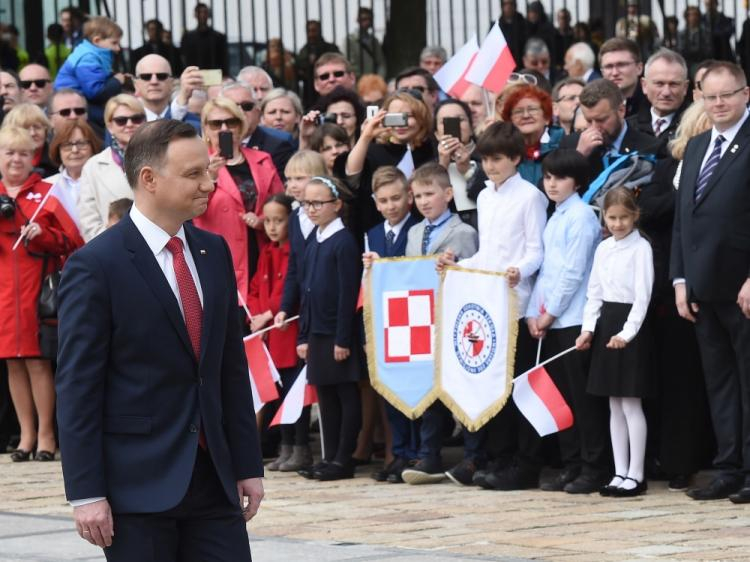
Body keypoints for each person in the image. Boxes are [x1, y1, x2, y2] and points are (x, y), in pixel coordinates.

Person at [56, 119, 264, 560]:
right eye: (194, 174)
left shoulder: (213, 252)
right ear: (148, 179)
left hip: (214, 480)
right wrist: (86, 491)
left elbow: (229, 365)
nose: (209, 183)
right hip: (136, 488)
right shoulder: (95, 266)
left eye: (207, 170)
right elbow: (78, 387)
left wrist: (247, 464)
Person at [443, 122, 547, 491]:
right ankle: (500, 456)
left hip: (517, 299)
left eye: (498, 159)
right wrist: (459, 267)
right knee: (495, 383)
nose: (490, 166)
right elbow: (487, 252)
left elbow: (536, 249)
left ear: (516, 158)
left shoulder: (531, 196)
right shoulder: (485, 197)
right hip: (490, 300)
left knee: (518, 382)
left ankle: (526, 461)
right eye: (485, 159)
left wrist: (520, 270)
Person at [670, 61, 750, 503]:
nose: (718, 103)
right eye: (710, 96)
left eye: (727, 95)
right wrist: (680, 279)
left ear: (746, 94)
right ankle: (729, 467)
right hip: (702, 287)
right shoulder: (698, 146)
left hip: (743, 287)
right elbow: (685, 219)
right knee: (719, 381)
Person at [637, 100, 714, 491]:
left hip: (714, 279)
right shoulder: (671, 166)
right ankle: (677, 459)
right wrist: (682, 193)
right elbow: (647, 207)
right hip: (672, 284)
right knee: (678, 377)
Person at [526, 149, 608, 494]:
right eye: (547, 177)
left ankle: (594, 467)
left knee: (582, 399)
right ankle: (571, 463)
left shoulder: (582, 217)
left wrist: (550, 312)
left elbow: (574, 272)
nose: (552, 184)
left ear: (576, 181)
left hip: (573, 318)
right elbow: (546, 271)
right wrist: (534, 311)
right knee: (561, 398)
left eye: (560, 177)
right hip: (552, 319)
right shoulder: (555, 215)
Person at [0, 126, 82, 463]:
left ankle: (47, 437)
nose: (16, 159)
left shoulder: (47, 193)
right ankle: (26, 436)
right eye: (9, 152)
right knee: (13, 363)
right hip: (4, 292)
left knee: (37, 362)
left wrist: (42, 233)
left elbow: (75, 242)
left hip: (38, 291)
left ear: (33, 157)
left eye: (22, 153)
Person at [275, 176, 363, 481]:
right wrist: (303, 335)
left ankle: (344, 457)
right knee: (325, 395)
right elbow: (306, 289)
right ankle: (329, 456)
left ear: (336, 205)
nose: (311, 209)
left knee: (345, 394)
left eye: (318, 203)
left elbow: (347, 294)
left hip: (336, 332)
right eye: (306, 203)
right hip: (316, 332)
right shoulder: (315, 239)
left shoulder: (343, 241)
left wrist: (342, 338)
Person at [576, 187, 654, 498]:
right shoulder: (603, 248)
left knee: (631, 401)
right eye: (612, 218)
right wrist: (587, 329)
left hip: (630, 327)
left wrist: (627, 333)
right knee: (613, 403)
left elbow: (643, 296)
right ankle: (619, 470)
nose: (618, 224)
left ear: (635, 216)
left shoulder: (642, 248)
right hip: (607, 322)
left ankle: (636, 473)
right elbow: (594, 292)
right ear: (604, 218)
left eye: (624, 217)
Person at [360, 167, 418, 482]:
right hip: (385, 324)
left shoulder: (418, 229)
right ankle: (400, 453)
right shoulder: (372, 234)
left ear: (409, 196)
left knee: (414, 391)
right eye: (384, 200)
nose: (391, 205)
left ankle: (416, 453)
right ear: (375, 202)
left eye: (396, 197)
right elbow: (366, 288)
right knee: (392, 393)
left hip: (414, 322)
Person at [194, 97, 284, 295]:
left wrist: (263, 222)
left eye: (231, 122)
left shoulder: (262, 159)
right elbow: (191, 211)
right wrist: (211, 178)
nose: (224, 128)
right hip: (221, 257)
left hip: (261, 251)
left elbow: (281, 205)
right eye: (216, 123)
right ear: (206, 129)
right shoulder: (196, 164)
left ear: (241, 125)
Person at [250, 193, 312, 472]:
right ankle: (285, 447)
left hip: (289, 331)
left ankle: (301, 448)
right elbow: (254, 289)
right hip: (271, 335)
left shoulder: (293, 253)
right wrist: (257, 314)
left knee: (294, 391)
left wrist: (268, 313)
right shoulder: (267, 251)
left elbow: (288, 290)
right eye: (268, 221)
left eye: (279, 220)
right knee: (281, 393)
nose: (273, 227)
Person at [340, 89, 437, 241]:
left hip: (424, 234)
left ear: (421, 118)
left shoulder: (432, 149)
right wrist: (366, 136)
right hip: (379, 234)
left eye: (408, 116)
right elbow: (352, 176)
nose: (401, 123)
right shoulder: (374, 151)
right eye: (394, 117)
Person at [561, 79, 662, 187]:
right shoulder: (571, 144)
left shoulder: (650, 147)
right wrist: (578, 157)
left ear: (621, 111)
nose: (594, 127)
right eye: (589, 121)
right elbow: (549, 192)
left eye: (601, 120)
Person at [78, 94, 146, 241]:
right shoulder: (93, 166)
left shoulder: (162, 158)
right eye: (121, 121)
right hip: (113, 248)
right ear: (110, 126)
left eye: (136, 119)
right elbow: (88, 222)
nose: (129, 124)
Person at [53, 16, 125, 128]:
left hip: (79, 99)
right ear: (97, 40)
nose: (118, 48)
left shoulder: (92, 53)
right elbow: (95, 92)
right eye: (114, 43)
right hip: (71, 103)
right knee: (111, 118)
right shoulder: (88, 58)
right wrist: (117, 81)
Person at [222, 83, 296, 181]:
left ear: (258, 111)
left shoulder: (278, 146)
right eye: (233, 107)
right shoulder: (210, 143)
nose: (240, 111)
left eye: (247, 106)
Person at [501, 84, 564, 188]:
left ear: (547, 117)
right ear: (510, 120)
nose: (526, 115)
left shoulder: (563, 145)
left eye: (532, 109)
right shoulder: (504, 152)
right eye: (518, 111)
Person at [627, 49, 690, 149]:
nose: (666, 92)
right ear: (644, 85)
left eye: (673, 84)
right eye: (659, 84)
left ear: (685, 88)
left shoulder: (697, 128)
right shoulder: (627, 128)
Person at [46, 118, 102, 230]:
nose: (75, 150)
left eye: (81, 143)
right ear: (58, 149)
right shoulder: (47, 186)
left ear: (92, 147)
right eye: (67, 145)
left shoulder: (104, 181)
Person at [434, 98, 479, 226]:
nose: (455, 125)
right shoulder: (428, 167)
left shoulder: (488, 156)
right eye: (445, 122)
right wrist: (442, 165)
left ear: (471, 127)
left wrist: (468, 170)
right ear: (437, 134)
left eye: (460, 120)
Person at [133, 54, 203, 128]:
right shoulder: (125, 123)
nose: (154, 81)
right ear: (136, 85)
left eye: (161, 76)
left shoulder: (194, 124)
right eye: (146, 77)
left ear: (172, 83)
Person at [3, 103, 57, 178]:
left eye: (37, 127)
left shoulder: (58, 161)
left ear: (46, 130)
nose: (33, 133)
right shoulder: (3, 163)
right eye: (26, 129)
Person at [295, 20, 341, 107]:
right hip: (310, 91)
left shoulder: (330, 48)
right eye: (309, 31)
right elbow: (299, 69)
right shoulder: (304, 50)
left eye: (314, 31)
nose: (311, 34)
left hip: (329, 85)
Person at [599, 38, 647, 118]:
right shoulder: (596, 106)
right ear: (602, 72)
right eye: (609, 67)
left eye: (621, 65)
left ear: (639, 68)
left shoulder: (653, 104)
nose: (615, 73)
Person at [180, 2, 228, 75]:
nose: (202, 15)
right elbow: (184, 59)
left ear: (208, 14)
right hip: (194, 75)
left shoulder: (218, 37)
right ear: (195, 15)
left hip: (214, 75)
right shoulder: (187, 37)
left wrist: (224, 74)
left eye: (205, 12)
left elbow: (224, 60)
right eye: (199, 12)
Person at [345, 7, 386, 78]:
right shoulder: (349, 40)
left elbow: (381, 63)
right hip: (357, 82)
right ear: (358, 20)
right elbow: (349, 64)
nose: (367, 22)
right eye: (364, 19)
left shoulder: (374, 41)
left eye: (369, 19)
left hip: (374, 81)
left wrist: (379, 79)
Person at [680, 7, 714, 79]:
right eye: (690, 15)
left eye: (695, 14)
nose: (693, 17)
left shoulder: (706, 32)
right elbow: (680, 49)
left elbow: (708, 50)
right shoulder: (681, 33)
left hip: (700, 63)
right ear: (686, 17)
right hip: (685, 64)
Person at [493, 0, 528, 70]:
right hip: (503, 67)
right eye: (505, 4)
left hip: (521, 67)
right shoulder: (497, 26)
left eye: (511, 4)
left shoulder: (524, 24)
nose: (508, 7)